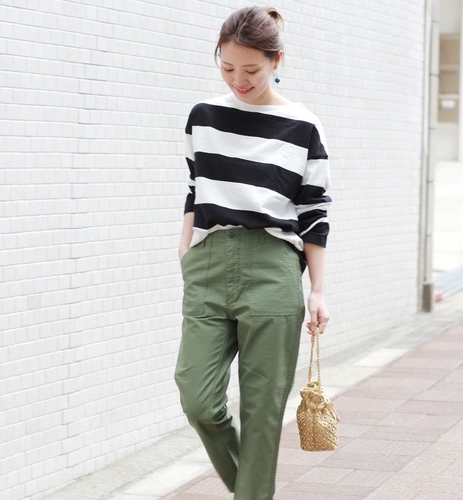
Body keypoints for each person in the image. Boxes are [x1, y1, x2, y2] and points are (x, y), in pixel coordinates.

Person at [174, 5, 331, 500]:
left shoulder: (303, 126)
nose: (238, 80)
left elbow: (314, 211)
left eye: (251, 70)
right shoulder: (203, 116)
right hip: (209, 262)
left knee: (262, 412)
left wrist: (318, 290)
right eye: (227, 68)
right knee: (198, 399)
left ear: (276, 61)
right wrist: (185, 246)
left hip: (273, 268)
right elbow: (195, 186)